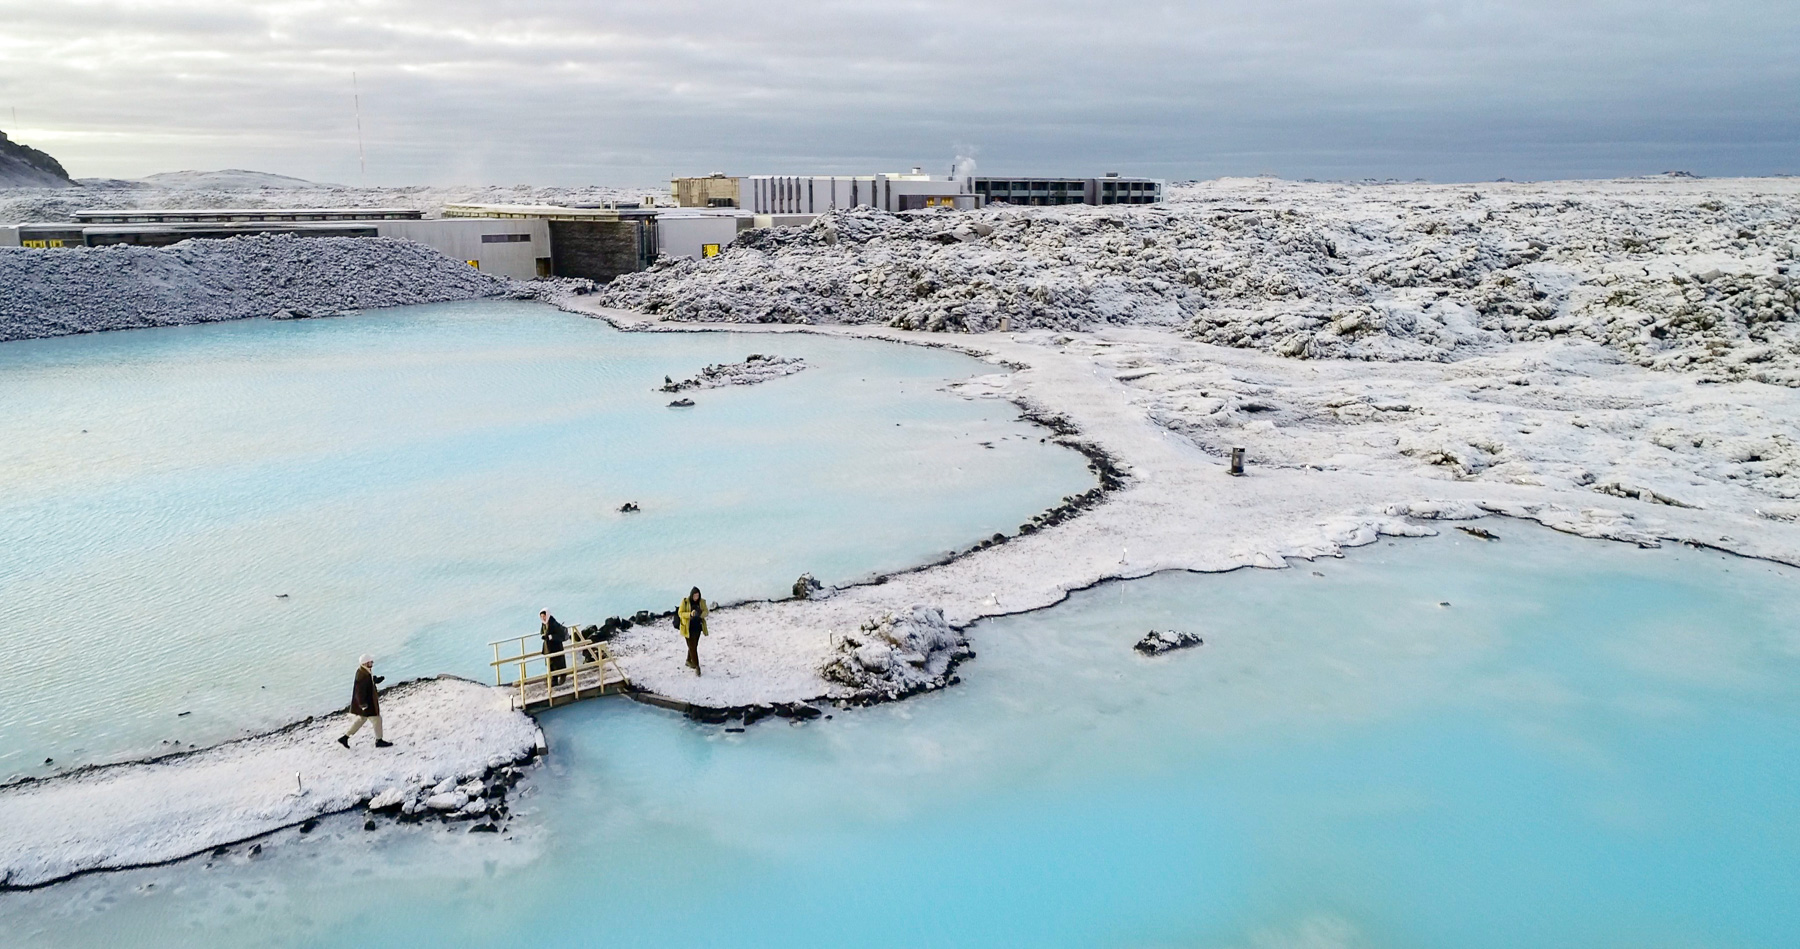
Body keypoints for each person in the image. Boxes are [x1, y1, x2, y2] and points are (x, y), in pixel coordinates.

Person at [337, 654, 392, 748]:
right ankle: (379, 740)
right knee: (377, 719)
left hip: (366, 702)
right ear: (365, 663)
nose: (372, 663)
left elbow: (368, 682)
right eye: (370, 662)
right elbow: (359, 691)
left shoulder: (365, 671)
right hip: (367, 703)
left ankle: (345, 737)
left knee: (361, 719)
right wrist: (363, 704)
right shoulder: (362, 675)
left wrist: (375, 680)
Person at [677, 587, 709, 676]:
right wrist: (690, 614)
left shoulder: (702, 602)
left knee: (694, 646)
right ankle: (697, 666)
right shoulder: (685, 602)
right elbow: (680, 613)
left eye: (697, 596)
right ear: (691, 595)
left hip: (698, 627)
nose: (696, 597)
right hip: (688, 628)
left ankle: (688, 660)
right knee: (692, 648)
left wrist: (701, 615)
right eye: (695, 596)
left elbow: (706, 611)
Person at [540, 610, 569, 686]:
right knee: (551, 664)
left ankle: (562, 676)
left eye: (544, 616)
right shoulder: (544, 624)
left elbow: (559, 634)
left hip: (556, 646)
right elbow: (542, 632)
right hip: (549, 647)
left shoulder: (553, 623)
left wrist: (551, 636)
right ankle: (554, 680)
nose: (543, 618)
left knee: (558, 662)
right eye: (542, 617)